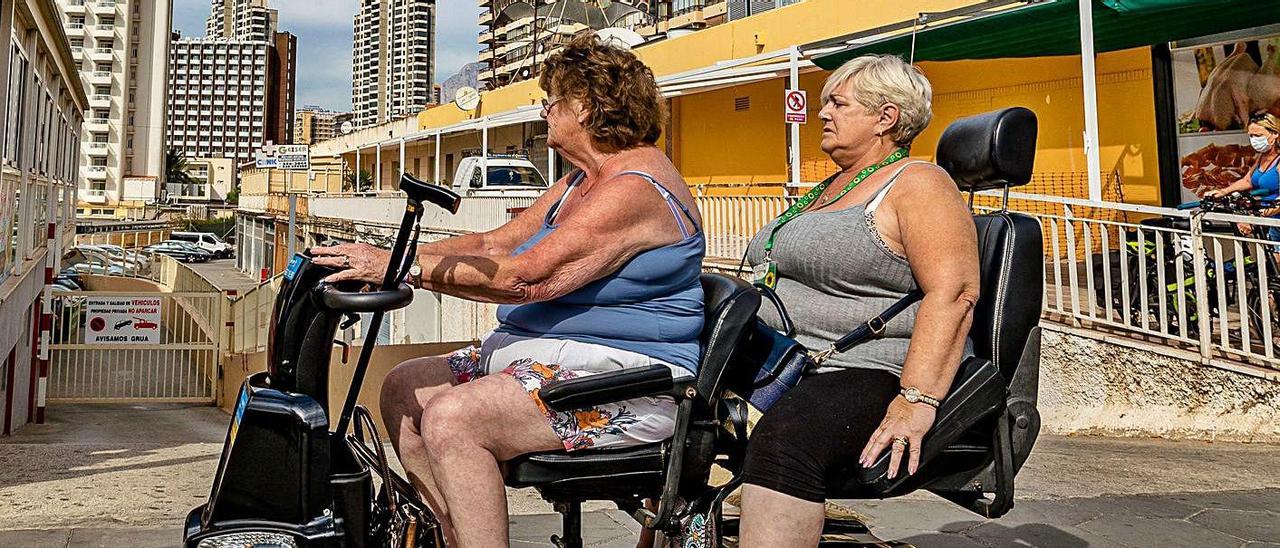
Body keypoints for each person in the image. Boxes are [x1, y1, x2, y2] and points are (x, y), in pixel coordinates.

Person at [311, 35, 705, 547]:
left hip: (627, 383)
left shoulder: (634, 188)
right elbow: (495, 242)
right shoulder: (580, 183)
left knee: (455, 419)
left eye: (552, 101)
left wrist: (398, 268)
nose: (544, 111)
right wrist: (387, 254)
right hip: (552, 363)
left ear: (583, 108)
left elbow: (525, 277)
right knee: (402, 388)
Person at [736, 54, 981, 546]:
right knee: (677, 405)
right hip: (789, 357)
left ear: (885, 118)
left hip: (865, 366)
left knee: (787, 446)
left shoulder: (919, 183)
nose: (822, 113)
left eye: (838, 104)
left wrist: (916, 401)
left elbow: (954, 293)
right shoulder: (831, 187)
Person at [1204, 112, 1280, 241]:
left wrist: (1256, 219)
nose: (1254, 140)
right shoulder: (1263, 157)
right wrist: (1223, 192)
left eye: (1258, 135)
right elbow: (1248, 180)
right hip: (1269, 219)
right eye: (1251, 136)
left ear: (1275, 134)